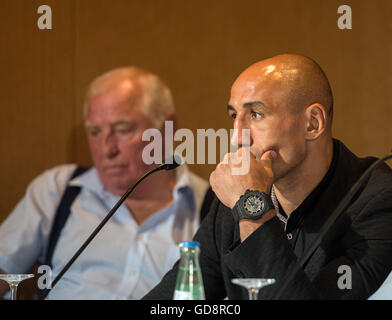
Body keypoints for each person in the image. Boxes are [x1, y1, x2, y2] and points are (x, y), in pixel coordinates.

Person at [143, 54, 392, 300]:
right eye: (234, 117)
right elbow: (174, 300)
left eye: (255, 114)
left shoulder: (377, 200)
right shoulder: (233, 198)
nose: (237, 138)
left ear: (312, 123)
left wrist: (250, 206)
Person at [0, 67, 209, 299]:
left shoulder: (211, 207)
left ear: (167, 128)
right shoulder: (58, 189)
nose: (106, 149)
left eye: (122, 130)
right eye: (95, 132)